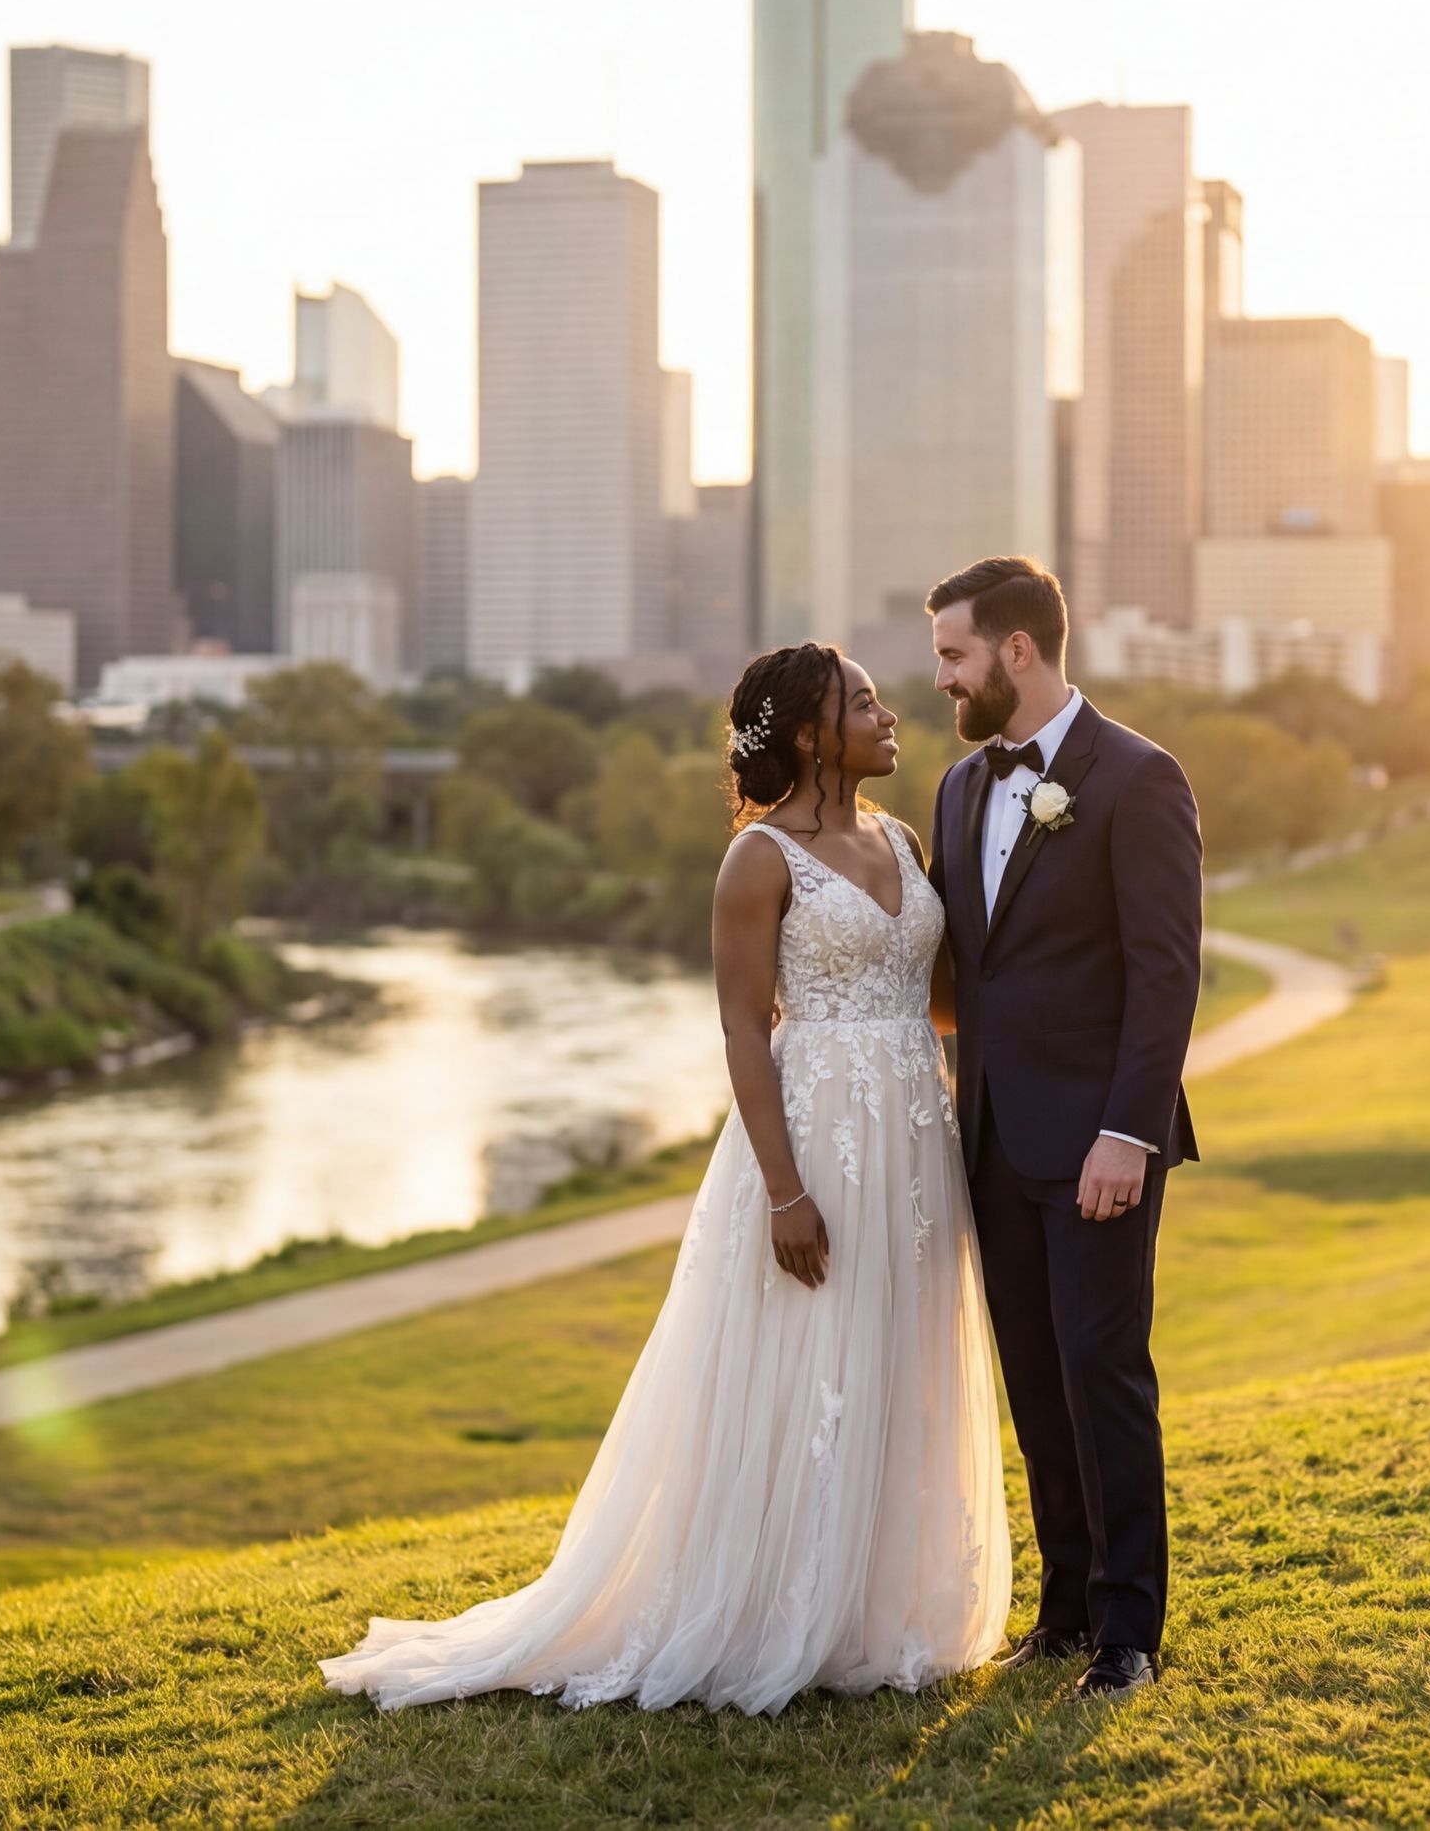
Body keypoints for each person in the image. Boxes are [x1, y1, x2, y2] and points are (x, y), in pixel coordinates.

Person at [319, 643, 1009, 1716]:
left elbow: (946, 1000)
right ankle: (776, 1606)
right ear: (814, 735)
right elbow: (742, 1027)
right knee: (806, 1360)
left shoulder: (904, 839)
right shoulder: (759, 861)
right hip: (812, 1134)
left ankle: (881, 1609)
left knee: (897, 1349)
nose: (890, 714)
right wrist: (784, 1190)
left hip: (914, 1136)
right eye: (864, 701)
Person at [923, 555, 1204, 1699]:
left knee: (1103, 1374)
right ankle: (1070, 1608)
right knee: (1036, 1381)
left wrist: (1126, 1136)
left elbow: (1165, 973)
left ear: (1018, 651)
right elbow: (966, 971)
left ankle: (1131, 1631)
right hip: (990, 1137)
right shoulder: (958, 787)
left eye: (954, 654)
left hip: (1098, 1144)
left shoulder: (1138, 779)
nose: (941, 677)